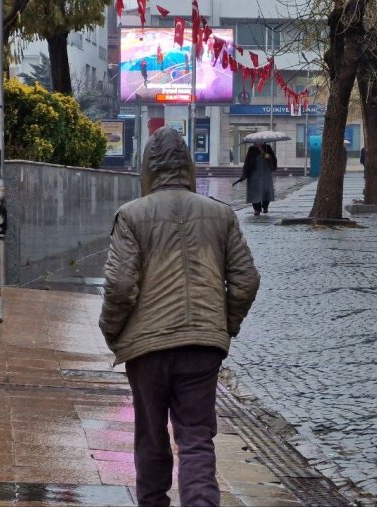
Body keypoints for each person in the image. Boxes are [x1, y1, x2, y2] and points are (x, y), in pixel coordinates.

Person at [100, 127, 261, 507]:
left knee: (151, 437)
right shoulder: (219, 215)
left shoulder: (131, 216)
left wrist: (113, 332)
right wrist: (225, 325)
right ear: (188, 166)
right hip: (201, 349)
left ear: (148, 169)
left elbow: (120, 286)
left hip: (147, 349)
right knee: (196, 438)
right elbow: (246, 280)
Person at [235, 142, 277, 216]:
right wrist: (244, 174)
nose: (258, 142)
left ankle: (265, 207)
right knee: (255, 191)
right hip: (254, 173)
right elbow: (247, 162)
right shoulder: (251, 149)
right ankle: (257, 209)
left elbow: (274, 160)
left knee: (266, 190)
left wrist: (268, 156)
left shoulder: (267, 148)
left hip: (265, 173)